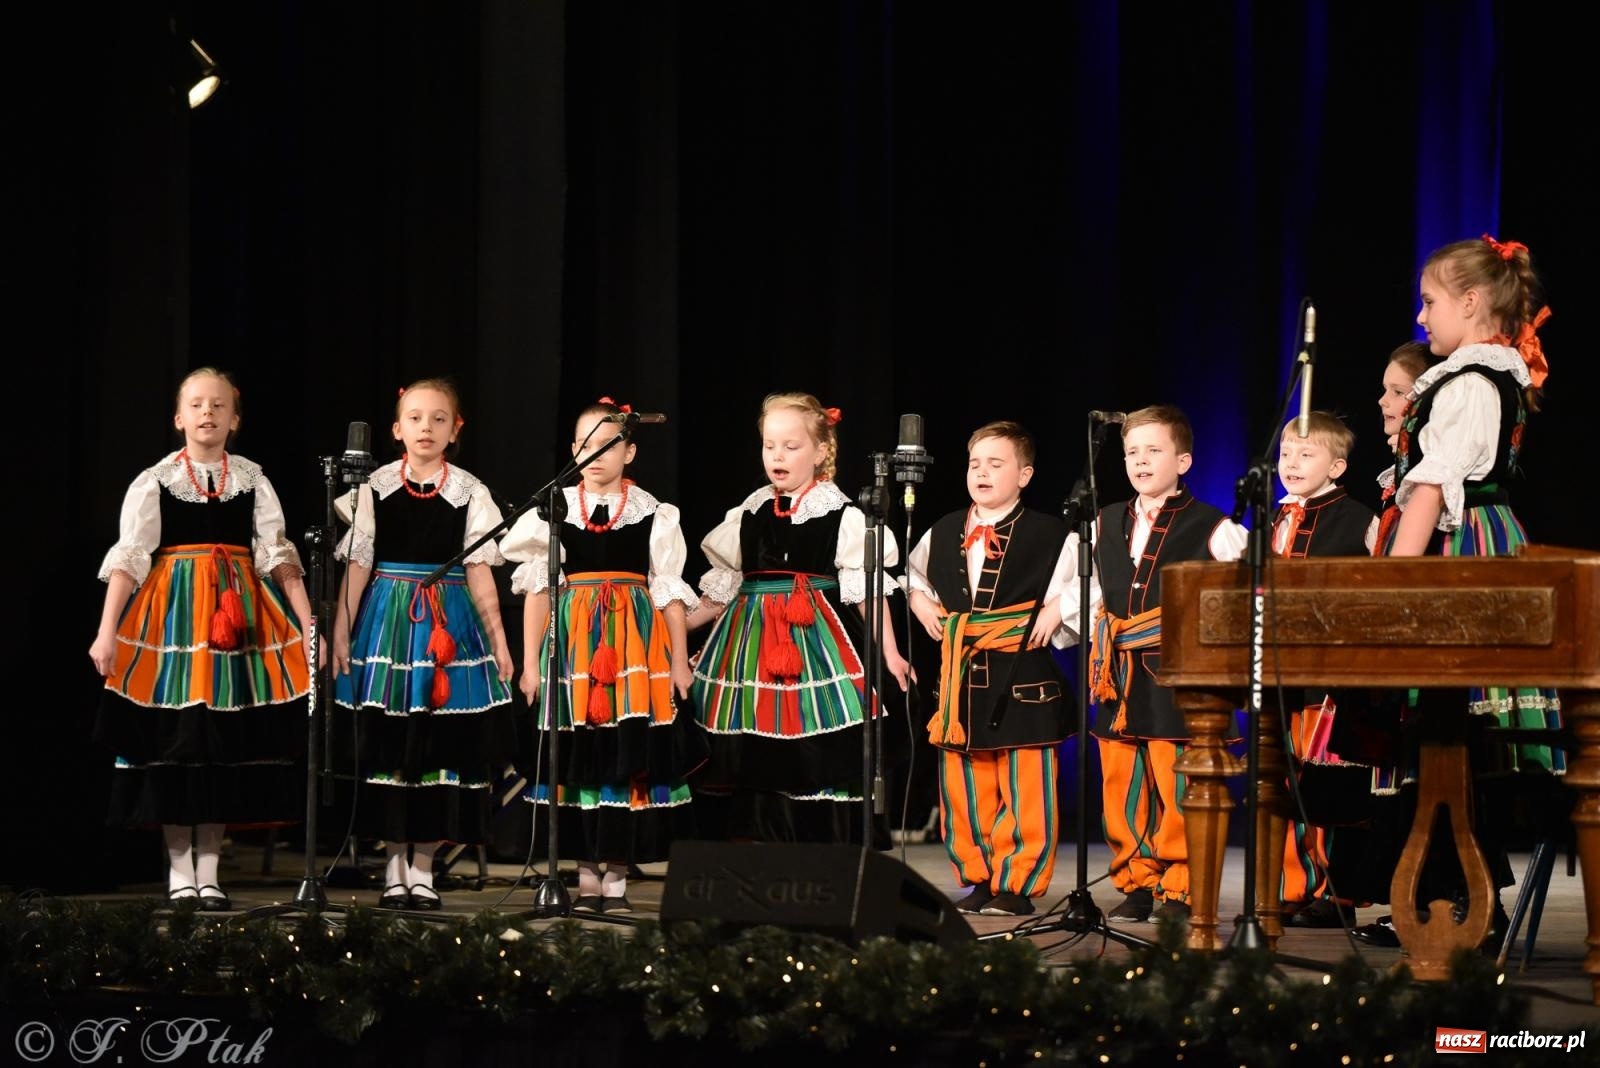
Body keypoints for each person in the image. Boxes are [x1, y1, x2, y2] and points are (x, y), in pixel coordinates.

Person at [1350, 235, 1564, 947]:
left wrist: (1394, 584)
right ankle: (1453, 898)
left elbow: (1434, 486)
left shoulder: (1470, 380)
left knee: (1450, 726)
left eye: (1431, 301)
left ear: (1470, 303)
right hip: (1471, 538)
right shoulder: (1474, 376)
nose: (1420, 315)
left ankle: (1465, 904)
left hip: (1461, 549)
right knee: (1441, 735)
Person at [90, 368, 314, 910]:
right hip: (172, 619)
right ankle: (178, 871)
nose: (207, 413)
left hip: (237, 621)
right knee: (177, 739)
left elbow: (277, 557)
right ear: (178, 417)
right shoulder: (156, 480)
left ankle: (209, 870)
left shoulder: (253, 480)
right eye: (196, 405)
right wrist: (106, 631)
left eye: (218, 405)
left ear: (234, 419)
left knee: (221, 743)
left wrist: (308, 626)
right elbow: (130, 559)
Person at [499, 398, 705, 914]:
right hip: (573, 649)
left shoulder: (655, 514)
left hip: (634, 648)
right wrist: (529, 664)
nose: (596, 454)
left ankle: (615, 878)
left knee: (624, 752)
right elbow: (539, 593)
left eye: (610, 444)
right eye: (587, 444)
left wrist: (679, 660)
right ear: (573, 450)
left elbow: (669, 593)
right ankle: (584, 874)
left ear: (630, 451)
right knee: (580, 754)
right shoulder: (554, 509)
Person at [686, 391, 912, 844]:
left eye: (791, 446)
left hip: (814, 642)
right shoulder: (747, 514)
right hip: (747, 644)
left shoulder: (843, 516)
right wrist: (670, 630)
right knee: (748, 743)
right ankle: (752, 851)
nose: (777, 456)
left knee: (812, 741)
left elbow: (865, 592)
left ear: (821, 451)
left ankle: (816, 852)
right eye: (770, 446)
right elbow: (722, 591)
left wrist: (890, 653)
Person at [331, 378, 517, 911]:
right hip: (389, 620)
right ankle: (394, 865)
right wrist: (342, 629)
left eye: (439, 419)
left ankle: (424, 868)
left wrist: (499, 643)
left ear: (456, 429)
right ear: (396, 429)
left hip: (450, 624)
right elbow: (359, 564)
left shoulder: (470, 492)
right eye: (415, 418)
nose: (426, 428)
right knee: (392, 743)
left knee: (443, 743)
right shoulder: (375, 488)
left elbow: (481, 573)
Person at [907, 421, 1076, 917]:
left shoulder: (1050, 533)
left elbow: (1084, 588)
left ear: (1024, 474)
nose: (982, 472)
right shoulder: (944, 528)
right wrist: (921, 603)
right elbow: (915, 578)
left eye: (995, 464)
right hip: (962, 676)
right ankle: (978, 876)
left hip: (1022, 675)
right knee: (964, 785)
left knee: (1025, 784)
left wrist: (1056, 611)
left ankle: (1017, 881)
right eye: (975, 464)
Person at [1088, 404, 1247, 924]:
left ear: (1183, 461)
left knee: (1176, 780)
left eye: (1153, 451)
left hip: (1177, 672)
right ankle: (1136, 879)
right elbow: (1092, 589)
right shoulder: (1105, 520)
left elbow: (1242, 591)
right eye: (1132, 451)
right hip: (1118, 672)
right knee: (1123, 779)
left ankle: (1181, 885)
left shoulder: (1212, 525)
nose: (1139, 460)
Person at [1268, 411, 1378, 928]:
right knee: (1286, 782)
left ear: (1336, 467)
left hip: (1329, 677)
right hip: (1280, 674)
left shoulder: (1358, 519)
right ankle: (1292, 886)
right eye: (1286, 453)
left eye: (1305, 454)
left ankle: (1337, 893)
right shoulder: (1274, 518)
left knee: (1327, 782)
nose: (1291, 463)